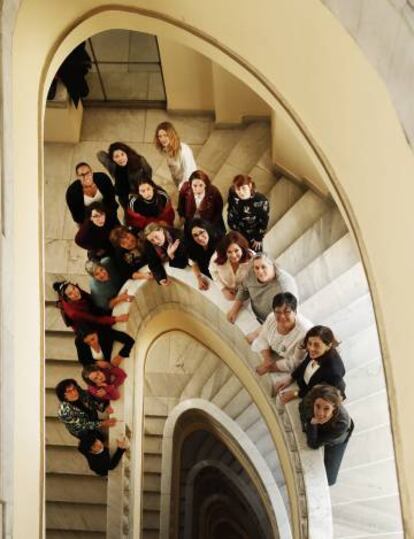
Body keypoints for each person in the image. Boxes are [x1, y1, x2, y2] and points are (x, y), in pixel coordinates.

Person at [273, 325, 346, 404]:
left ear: (328, 346)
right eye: (309, 343)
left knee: (280, 400)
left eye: (316, 345)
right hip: (306, 384)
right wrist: (290, 378)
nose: (311, 348)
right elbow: (304, 363)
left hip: (320, 396)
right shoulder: (317, 353)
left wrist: (295, 393)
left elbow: (318, 393)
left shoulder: (333, 372)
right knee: (276, 386)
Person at [299, 384, 354, 486]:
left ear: (334, 408)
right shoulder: (312, 395)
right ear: (313, 402)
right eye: (318, 406)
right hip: (322, 426)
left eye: (326, 408)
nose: (320, 413)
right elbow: (301, 408)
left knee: (329, 478)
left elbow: (314, 443)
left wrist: (312, 422)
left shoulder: (342, 423)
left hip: (338, 436)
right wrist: (314, 422)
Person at [227, 253, 298, 324]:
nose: (260, 272)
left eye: (263, 267)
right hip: (254, 309)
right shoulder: (251, 272)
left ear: (272, 265)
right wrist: (234, 309)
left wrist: (259, 331)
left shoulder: (284, 287)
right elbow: (243, 288)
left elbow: (285, 316)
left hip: (272, 321)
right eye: (257, 268)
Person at [252, 292, 313, 375]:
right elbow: (263, 337)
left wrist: (269, 367)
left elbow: (295, 362)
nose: (282, 316)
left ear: (295, 312)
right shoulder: (271, 317)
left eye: (287, 312)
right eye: (278, 312)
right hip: (276, 354)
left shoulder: (305, 333)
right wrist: (267, 360)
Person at [53, 281, 128, 333]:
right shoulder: (74, 313)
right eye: (70, 293)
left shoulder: (77, 291)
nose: (75, 293)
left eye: (74, 288)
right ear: (68, 298)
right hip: (86, 325)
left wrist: (116, 299)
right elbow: (96, 320)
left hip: (86, 308)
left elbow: (93, 300)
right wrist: (116, 319)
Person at [97, 142, 152, 208]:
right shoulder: (112, 165)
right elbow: (100, 154)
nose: (120, 159)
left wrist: (143, 186)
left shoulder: (139, 160)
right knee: (126, 207)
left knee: (140, 207)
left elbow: (148, 172)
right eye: (116, 156)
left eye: (122, 154)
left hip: (136, 192)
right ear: (113, 159)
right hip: (122, 194)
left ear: (127, 153)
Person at [227, 174, 270, 251]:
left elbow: (264, 220)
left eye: (244, 188)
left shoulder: (261, 201)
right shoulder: (232, 192)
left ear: (250, 186)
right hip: (236, 228)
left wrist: (258, 237)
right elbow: (230, 206)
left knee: (256, 253)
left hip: (252, 232)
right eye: (238, 189)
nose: (241, 192)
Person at [209, 231, 254, 301]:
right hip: (225, 291)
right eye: (229, 252)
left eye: (236, 251)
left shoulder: (253, 258)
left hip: (245, 293)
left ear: (242, 248)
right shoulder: (217, 257)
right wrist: (223, 289)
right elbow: (212, 271)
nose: (233, 255)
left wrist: (242, 292)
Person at [154, 121, 197, 189]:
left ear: (171, 135)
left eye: (165, 135)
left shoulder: (184, 150)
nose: (162, 139)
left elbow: (190, 172)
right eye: (160, 136)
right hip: (179, 183)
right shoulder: (167, 149)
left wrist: (182, 188)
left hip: (189, 186)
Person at [186, 218, 224, 291]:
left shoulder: (220, 242)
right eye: (195, 235)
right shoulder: (193, 245)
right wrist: (199, 278)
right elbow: (193, 262)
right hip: (208, 278)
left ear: (207, 229)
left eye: (201, 232)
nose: (199, 237)